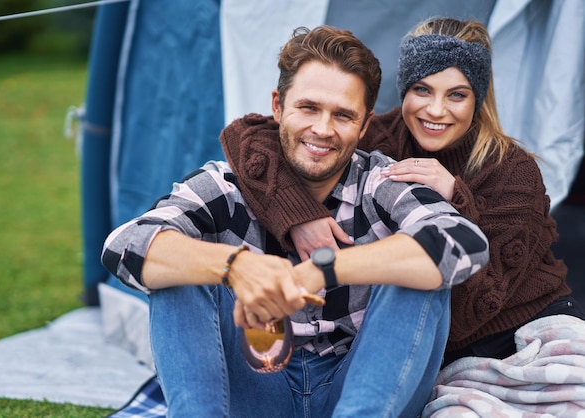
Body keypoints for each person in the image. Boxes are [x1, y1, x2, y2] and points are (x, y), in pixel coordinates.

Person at [102, 25, 489, 417]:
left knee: (422, 268)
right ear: (278, 105)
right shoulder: (225, 185)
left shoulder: (381, 182)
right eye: (308, 108)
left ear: (364, 125)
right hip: (255, 385)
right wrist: (237, 267)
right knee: (175, 265)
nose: (322, 129)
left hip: (361, 387)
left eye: (342, 115)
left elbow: (464, 243)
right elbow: (123, 245)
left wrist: (323, 271)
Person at [219, 17, 585, 369]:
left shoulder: (512, 170)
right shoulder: (379, 136)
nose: (436, 110)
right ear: (404, 90)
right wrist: (298, 214)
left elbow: (471, 307)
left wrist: (457, 199)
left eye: (457, 95)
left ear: (478, 100)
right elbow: (247, 134)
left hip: (526, 326)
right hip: (434, 347)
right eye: (422, 90)